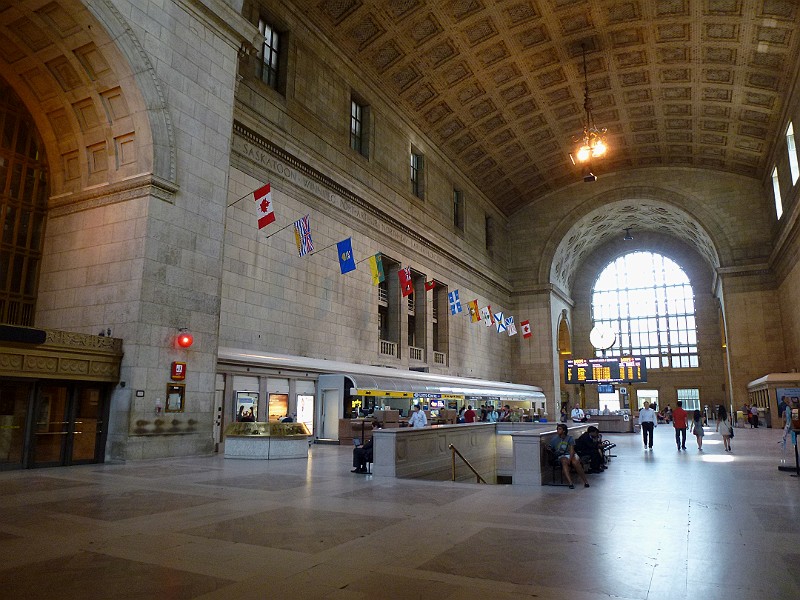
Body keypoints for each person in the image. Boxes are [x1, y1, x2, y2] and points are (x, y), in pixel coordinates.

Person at [550, 423, 589, 488]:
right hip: (562, 455)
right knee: (564, 461)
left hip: (571, 454)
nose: (558, 431)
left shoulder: (570, 438)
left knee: (575, 462)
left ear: (564, 431)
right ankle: (570, 483)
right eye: (557, 429)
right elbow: (551, 449)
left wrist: (570, 459)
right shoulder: (554, 440)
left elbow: (572, 450)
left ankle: (585, 481)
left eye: (559, 429)